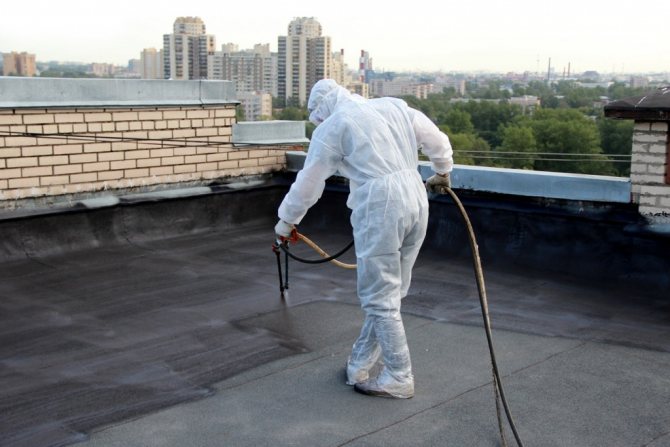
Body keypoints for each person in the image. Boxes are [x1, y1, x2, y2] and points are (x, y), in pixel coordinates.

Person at [274, 79, 453, 399]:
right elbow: (435, 138)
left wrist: (286, 222)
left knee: (380, 296)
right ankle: (358, 363)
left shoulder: (334, 126)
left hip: (380, 206)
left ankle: (399, 375)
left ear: (324, 107)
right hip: (416, 197)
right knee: (391, 291)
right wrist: (442, 170)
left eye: (318, 117)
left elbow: (308, 183)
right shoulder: (393, 106)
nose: (319, 123)